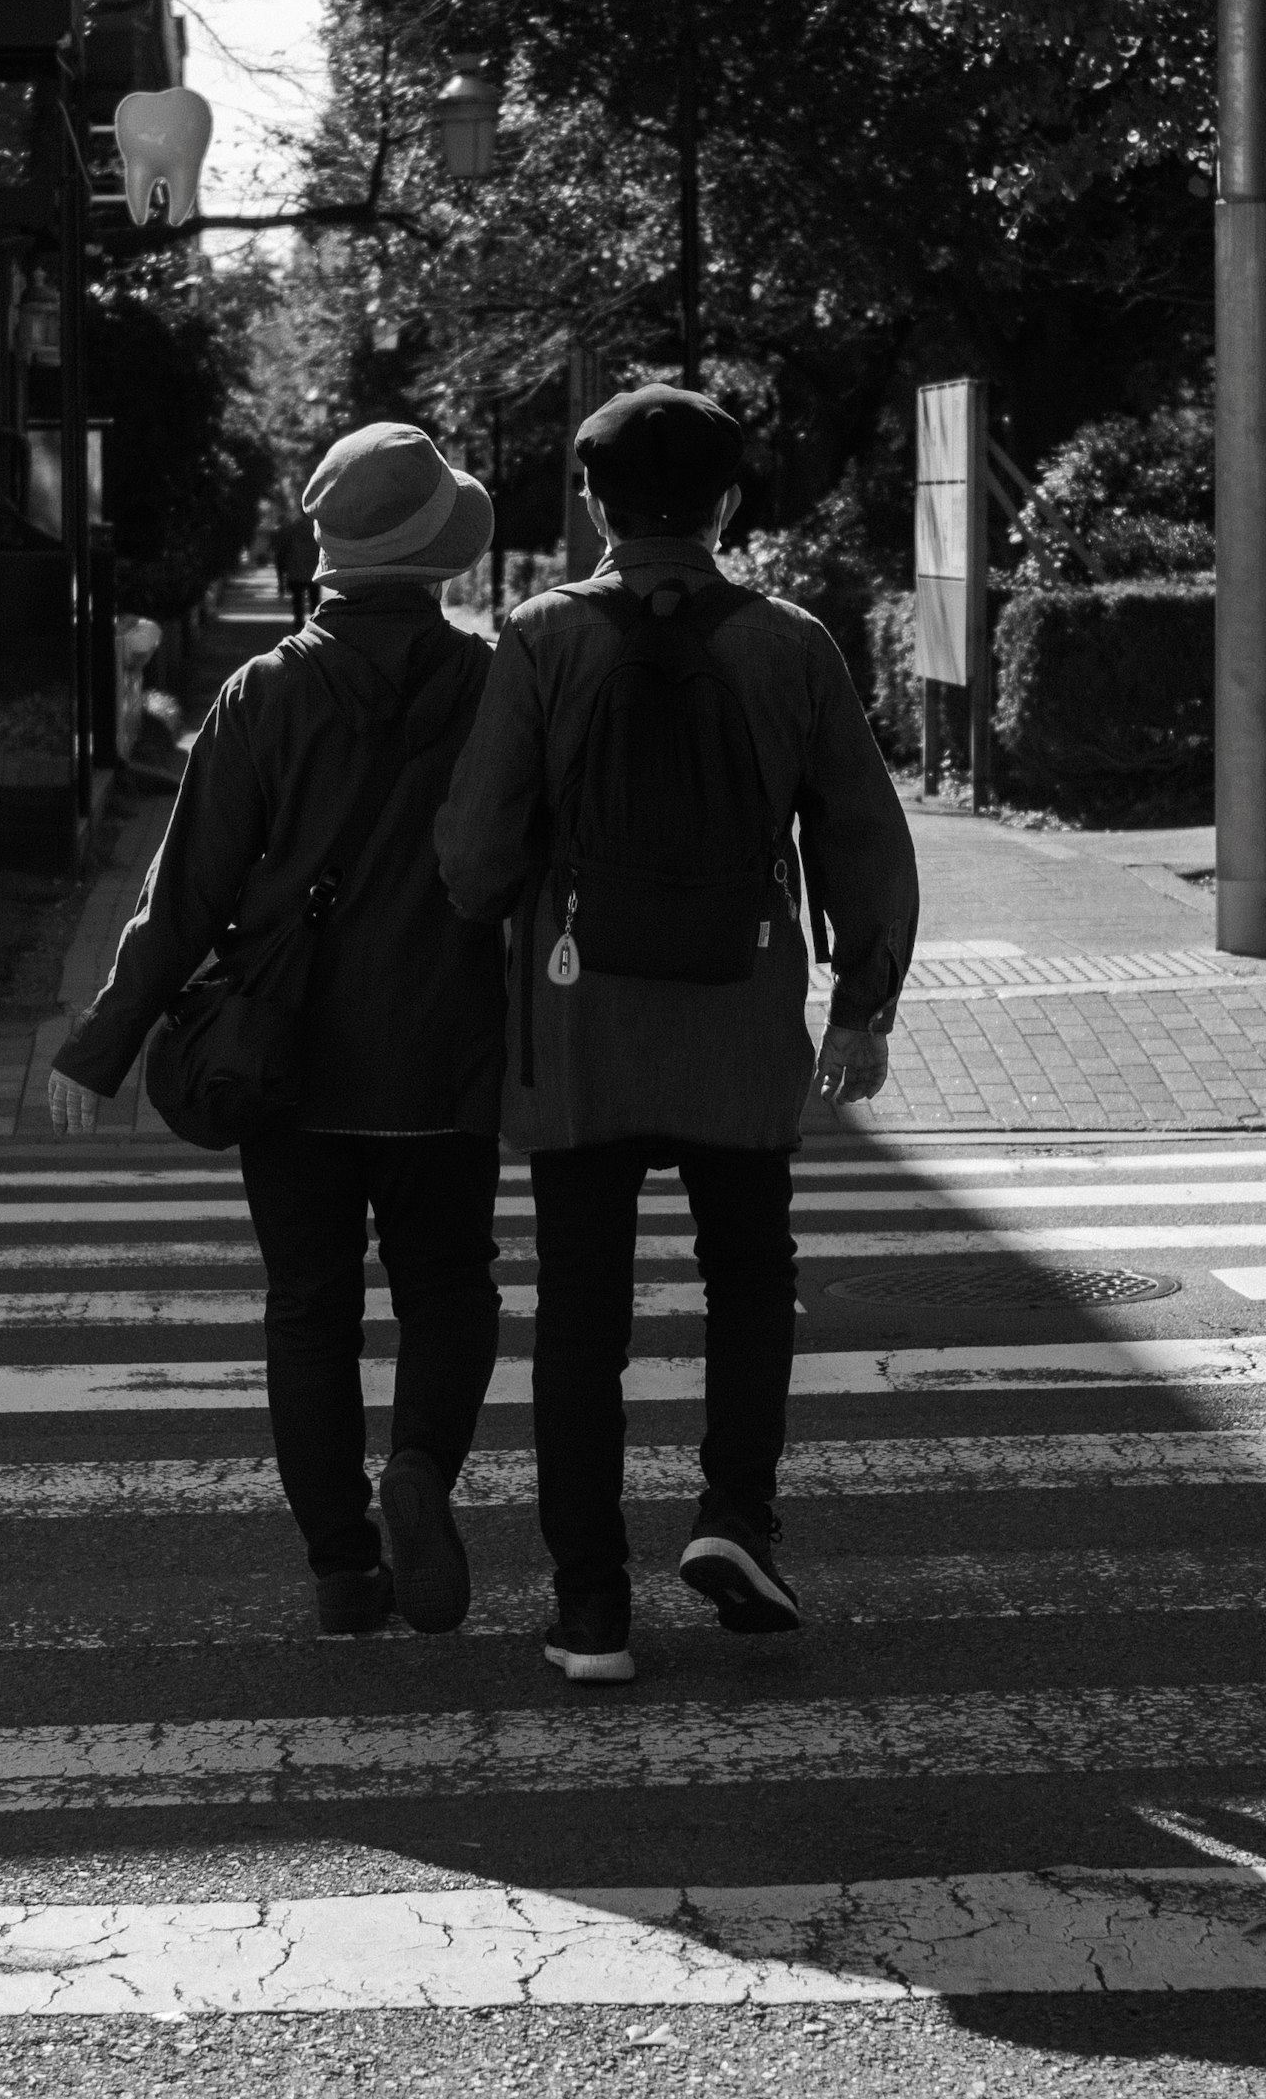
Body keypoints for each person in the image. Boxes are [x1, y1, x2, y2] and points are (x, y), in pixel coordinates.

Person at [437, 383, 918, 1687]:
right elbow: (863, 834)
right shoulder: (792, 645)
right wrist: (863, 1005)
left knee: (581, 1314)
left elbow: (474, 861)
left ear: (592, 503)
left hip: (579, 1024)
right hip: (739, 1011)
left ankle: (590, 1607)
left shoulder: (536, 642)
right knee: (751, 1274)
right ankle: (736, 1518)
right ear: (728, 505)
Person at [48, 423, 509, 1637]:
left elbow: (186, 889)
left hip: (287, 1055)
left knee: (309, 1305)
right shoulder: (490, 682)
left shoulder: (265, 692)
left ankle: (342, 1565)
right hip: (449, 1051)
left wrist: (102, 1044)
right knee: (451, 1290)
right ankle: (420, 1469)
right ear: (438, 561)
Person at [270, 502, 321, 631]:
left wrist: (284, 569)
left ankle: (298, 623)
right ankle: (315, 624)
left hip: (296, 569)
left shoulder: (292, 529)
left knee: (297, 599)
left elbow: (283, 549)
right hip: (314, 569)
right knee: (314, 600)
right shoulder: (318, 529)